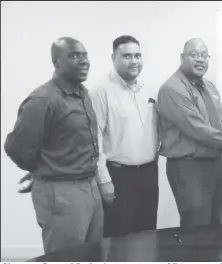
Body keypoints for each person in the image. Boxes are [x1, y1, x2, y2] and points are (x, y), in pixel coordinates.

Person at [4, 37, 102, 254]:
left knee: (93, 253)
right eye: (74, 55)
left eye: (84, 55)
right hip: (62, 191)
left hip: (89, 185)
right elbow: (16, 148)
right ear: (56, 62)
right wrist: (44, 169)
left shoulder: (82, 93)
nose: (83, 61)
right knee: (66, 256)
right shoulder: (43, 99)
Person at [157, 38, 222, 228]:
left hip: (215, 164)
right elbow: (199, 129)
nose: (200, 60)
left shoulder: (210, 86)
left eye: (204, 55)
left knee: (215, 224)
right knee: (197, 226)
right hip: (189, 168)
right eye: (194, 55)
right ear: (182, 57)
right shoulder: (172, 89)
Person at [89, 35, 159, 238]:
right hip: (118, 176)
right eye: (127, 56)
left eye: (137, 55)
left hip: (148, 173)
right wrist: (103, 180)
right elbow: (95, 140)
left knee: (147, 233)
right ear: (113, 58)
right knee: (118, 236)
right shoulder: (100, 90)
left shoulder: (150, 87)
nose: (134, 61)